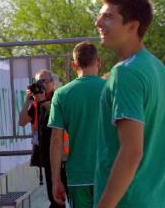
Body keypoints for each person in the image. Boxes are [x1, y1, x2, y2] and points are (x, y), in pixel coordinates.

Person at [93, 0, 165, 207]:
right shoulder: (159, 69)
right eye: (100, 15)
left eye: (108, 16)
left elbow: (131, 152)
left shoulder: (126, 73)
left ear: (132, 26)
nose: (98, 22)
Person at [48, 41, 105, 208]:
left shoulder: (61, 95)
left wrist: (55, 180)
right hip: (109, 175)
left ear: (74, 65)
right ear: (99, 62)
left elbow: (56, 141)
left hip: (77, 176)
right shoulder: (112, 89)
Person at [18, 68, 64, 208]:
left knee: (61, 193)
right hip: (46, 152)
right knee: (52, 194)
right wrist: (27, 101)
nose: (42, 85)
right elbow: (22, 121)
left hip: (61, 154)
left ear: (52, 83)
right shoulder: (36, 102)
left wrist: (43, 100)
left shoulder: (58, 97)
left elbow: (58, 115)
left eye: (44, 81)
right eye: (38, 82)